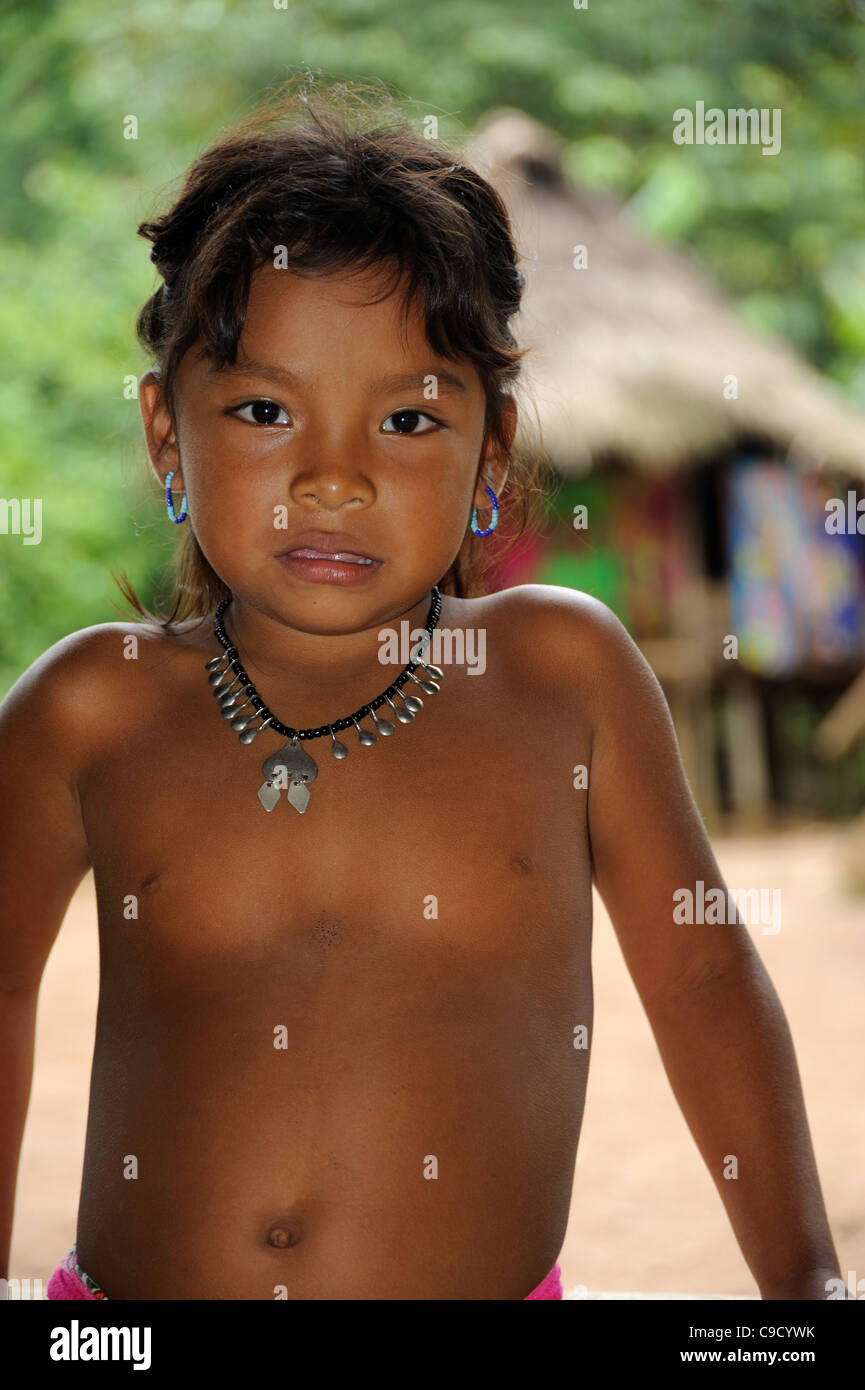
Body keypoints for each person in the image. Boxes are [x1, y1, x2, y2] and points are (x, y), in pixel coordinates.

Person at [0, 76, 843, 1300]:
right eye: (262, 408)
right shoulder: (92, 708)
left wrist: (805, 1281)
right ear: (164, 437)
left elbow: (702, 977)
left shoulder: (561, 679)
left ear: (491, 451)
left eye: (405, 419)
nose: (334, 476)